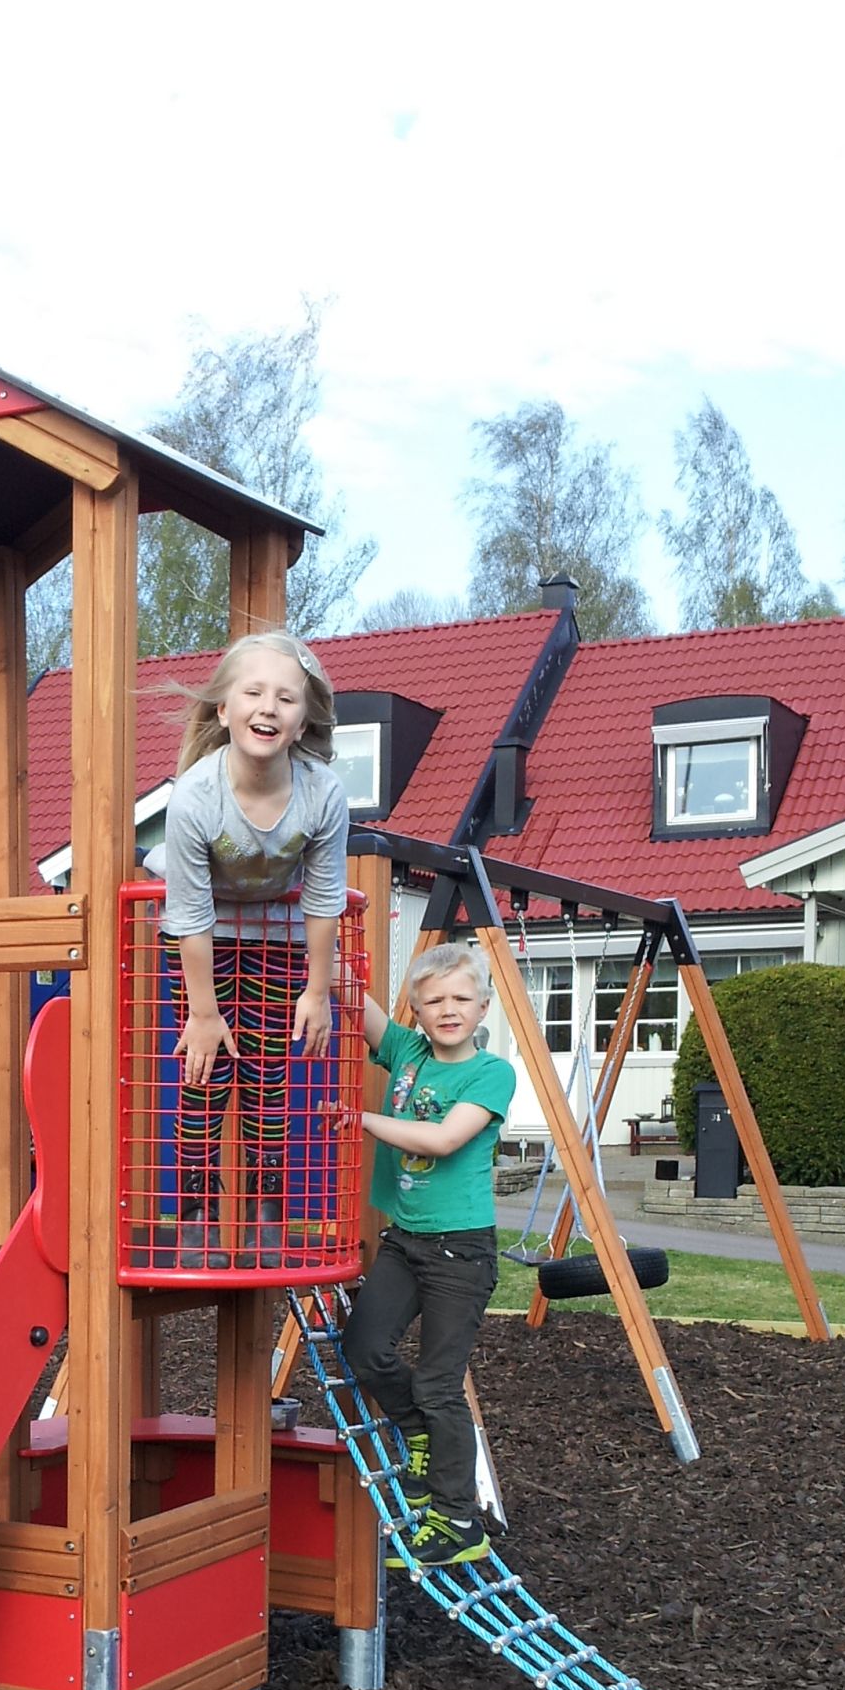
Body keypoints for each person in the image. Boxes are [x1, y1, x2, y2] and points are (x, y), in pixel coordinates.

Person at [159, 631, 351, 1269]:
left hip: (275, 929)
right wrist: (204, 1014)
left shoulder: (322, 792)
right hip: (204, 935)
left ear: (303, 721)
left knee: (269, 1073)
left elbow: (324, 897)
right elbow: (189, 914)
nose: (269, 707)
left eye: (286, 699)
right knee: (204, 1070)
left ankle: (267, 1215)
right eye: (253, 693)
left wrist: (318, 991)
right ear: (223, 710)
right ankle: (195, 1217)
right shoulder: (196, 795)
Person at [344, 942, 515, 1567]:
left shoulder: (491, 1073)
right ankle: (415, 1430)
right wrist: (314, 935)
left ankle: (457, 1520)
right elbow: (350, 997)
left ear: (483, 1008)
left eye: (462, 998)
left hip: (460, 1250)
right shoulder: (408, 1053)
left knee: (441, 1384)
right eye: (434, 999)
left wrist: (362, 1119)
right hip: (406, 1240)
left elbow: (442, 1140)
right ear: (415, 1010)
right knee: (363, 1347)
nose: (449, 1009)